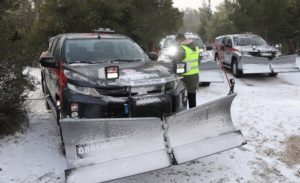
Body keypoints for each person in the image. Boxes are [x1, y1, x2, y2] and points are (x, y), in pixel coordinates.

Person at [174, 34, 200, 108]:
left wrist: (178, 74)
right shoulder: (195, 47)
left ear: (179, 40)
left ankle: (183, 113)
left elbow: (177, 62)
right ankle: (192, 112)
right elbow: (198, 61)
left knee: (181, 95)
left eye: (176, 41)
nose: (176, 43)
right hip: (195, 75)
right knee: (192, 95)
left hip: (185, 76)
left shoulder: (181, 48)